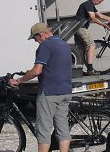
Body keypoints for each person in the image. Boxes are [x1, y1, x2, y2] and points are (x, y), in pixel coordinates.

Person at [10, 23, 72, 152]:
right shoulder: (64, 44)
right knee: (62, 129)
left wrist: (19, 80)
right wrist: (31, 71)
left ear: (40, 34)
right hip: (65, 91)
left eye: (35, 38)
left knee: (43, 129)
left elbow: (37, 71)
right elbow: (54, 66)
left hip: (49, 92)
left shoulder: (46, 45)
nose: (35, 41)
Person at [74, 0, 110, 75]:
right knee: (91, 45)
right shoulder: (88, 4)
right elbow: (93, 18)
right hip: (81, 28)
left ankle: (79, 70)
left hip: (77, 28)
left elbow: (100, 15)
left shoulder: (90, 5)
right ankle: (90, 69)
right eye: (100, 1)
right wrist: (104, 25)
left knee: (81, 49)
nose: (100, 3)